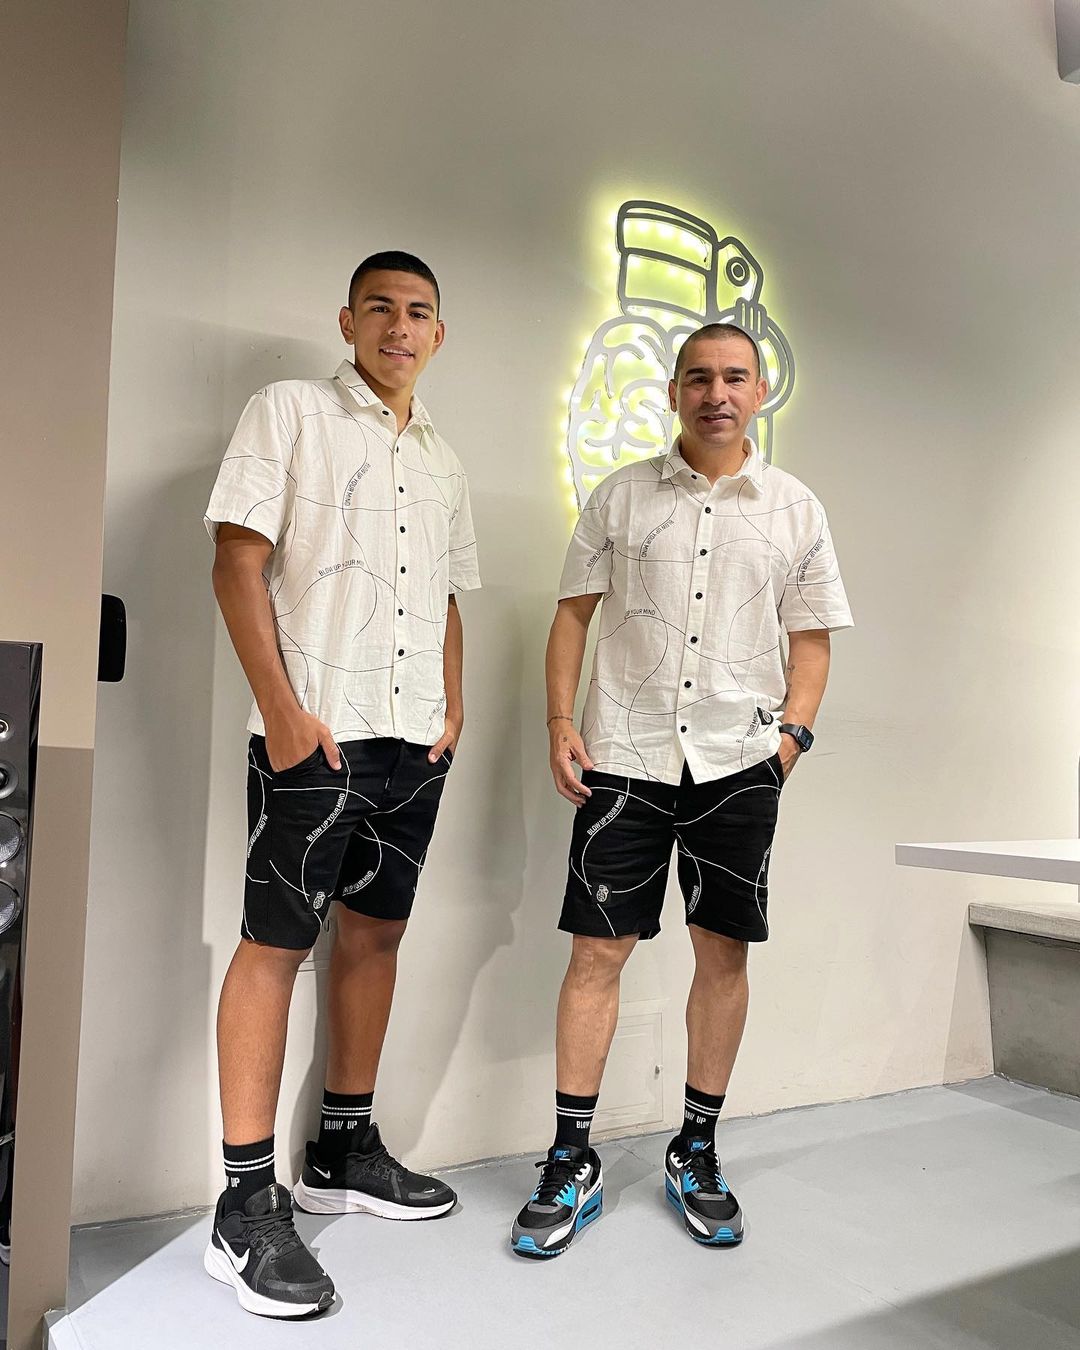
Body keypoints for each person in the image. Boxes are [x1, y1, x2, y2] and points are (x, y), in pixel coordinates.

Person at [511, 322, 852, 1258]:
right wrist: (561, 719)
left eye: (735, 377)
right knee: (596, 954)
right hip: (624, 757)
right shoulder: (620, 496)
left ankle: (696, 1147)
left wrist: (790, 740)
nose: (716, 393)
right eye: (698, 377)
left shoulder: (795, 509)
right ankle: (571, 1157)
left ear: (761, 390)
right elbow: (572, 617)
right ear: (672, 392)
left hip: (738, 766)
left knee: (723, 956)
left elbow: (812, 641)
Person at [201, 251, 480, 1316]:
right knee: (275, 946)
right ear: (348, 320)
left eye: (419, 313)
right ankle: (243, 1205)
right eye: (380, 308)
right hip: (314, 735)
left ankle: (343, 1153)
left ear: (439, 335)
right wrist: (280, 712)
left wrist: (452, 709)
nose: (399, 327)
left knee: (376, 936)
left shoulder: (442, 458)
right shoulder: (288, 411)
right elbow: (236, 563)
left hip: (413, 744)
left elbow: (447, 596)